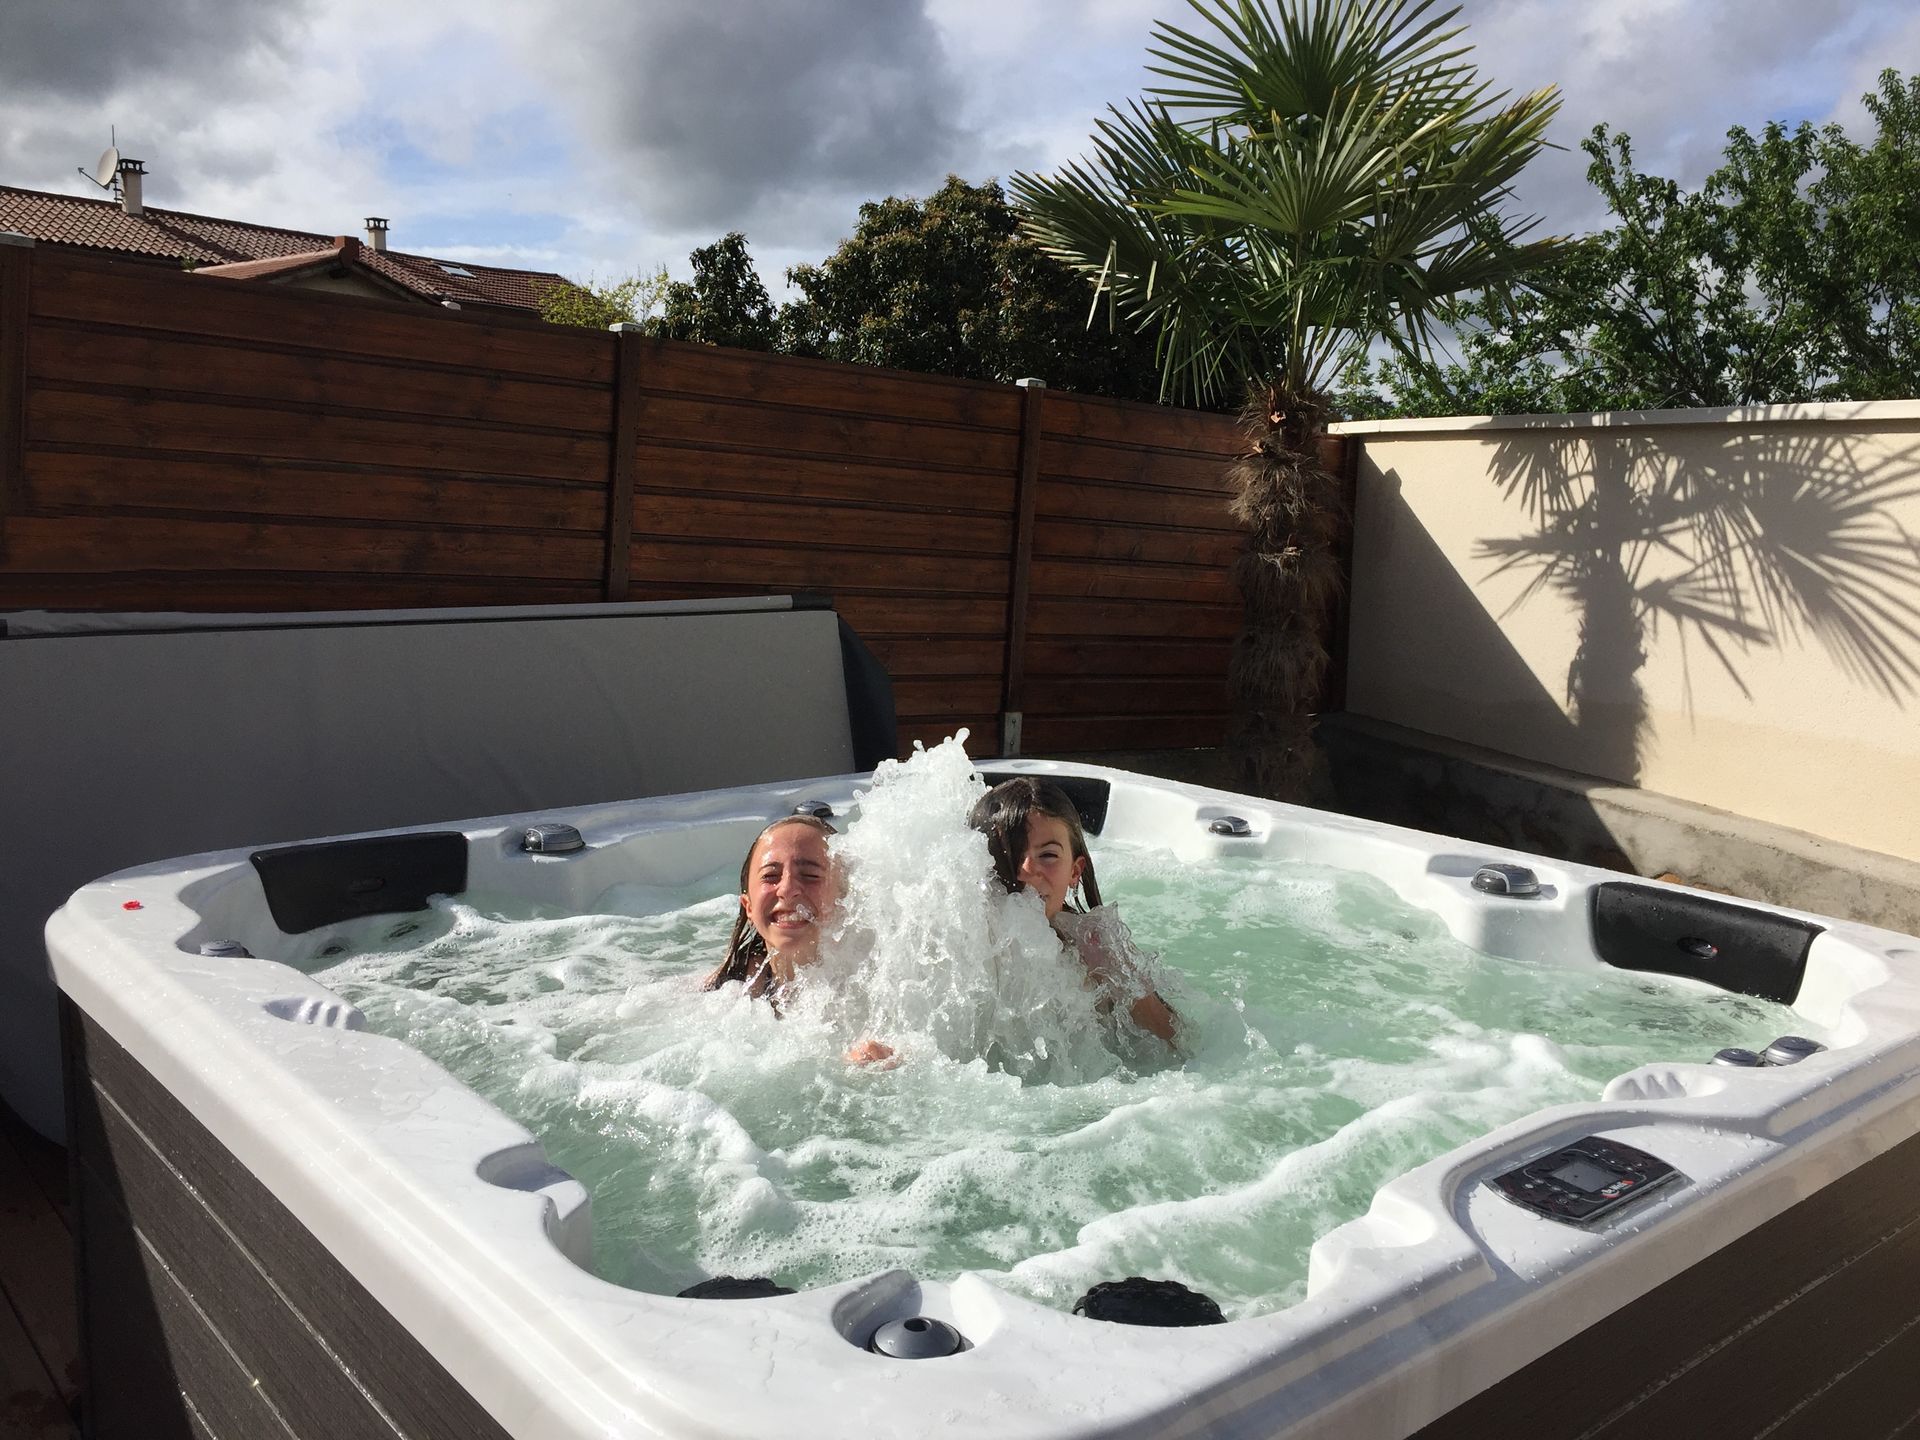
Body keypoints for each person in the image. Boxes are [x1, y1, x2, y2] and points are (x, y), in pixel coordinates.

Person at [967, 777, 1178, 1044]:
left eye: (1048, 855)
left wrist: (1120, 974)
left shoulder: (1094, 946)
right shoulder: (965, 942)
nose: (1027, 872)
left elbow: (1175, 1042)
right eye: (1008, 855)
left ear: (1075, 871)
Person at [704, 814, 895, 1065]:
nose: (787, 889)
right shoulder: (727, 989)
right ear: (748, 906)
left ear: (846, 901)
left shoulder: (883, 984)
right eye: (770, 876)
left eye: (810, 875)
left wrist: (895, 1058)